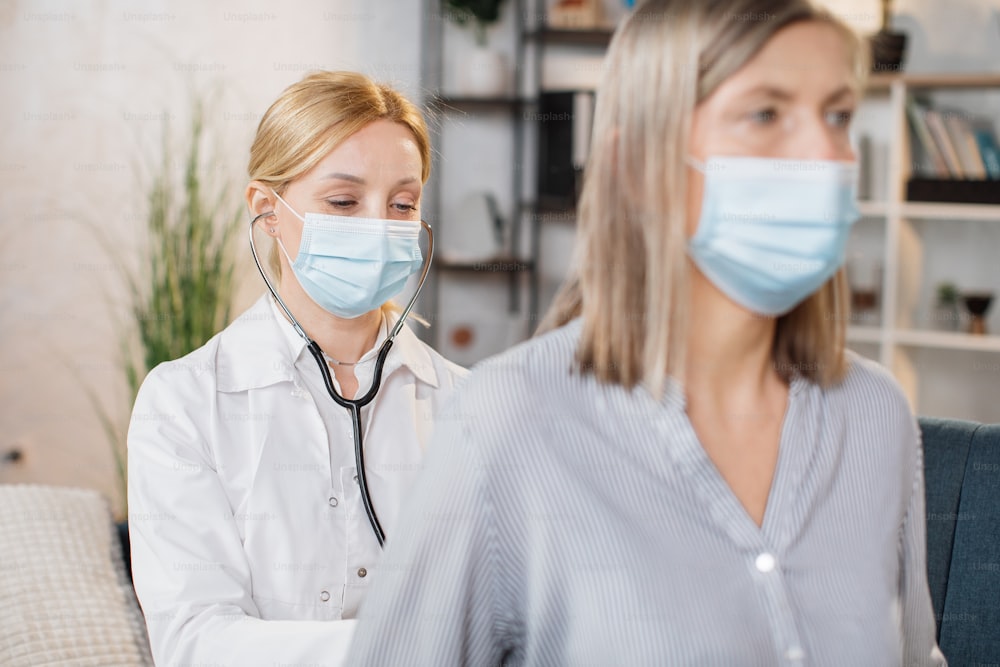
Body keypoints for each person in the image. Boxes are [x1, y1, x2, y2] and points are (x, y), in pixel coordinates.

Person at [345, 1, 947, 665]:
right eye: (766, 113)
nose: (827, 153)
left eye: (837, 114)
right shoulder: (509, 422)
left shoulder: (876, 415)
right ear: (637, 161)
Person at [127, 70, 467, 666]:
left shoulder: (470, 405)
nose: (378, 226)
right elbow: (196, 643)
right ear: (268, 209)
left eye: (402, 204)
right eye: (342, 201)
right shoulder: (183, 404)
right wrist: (403, 647)